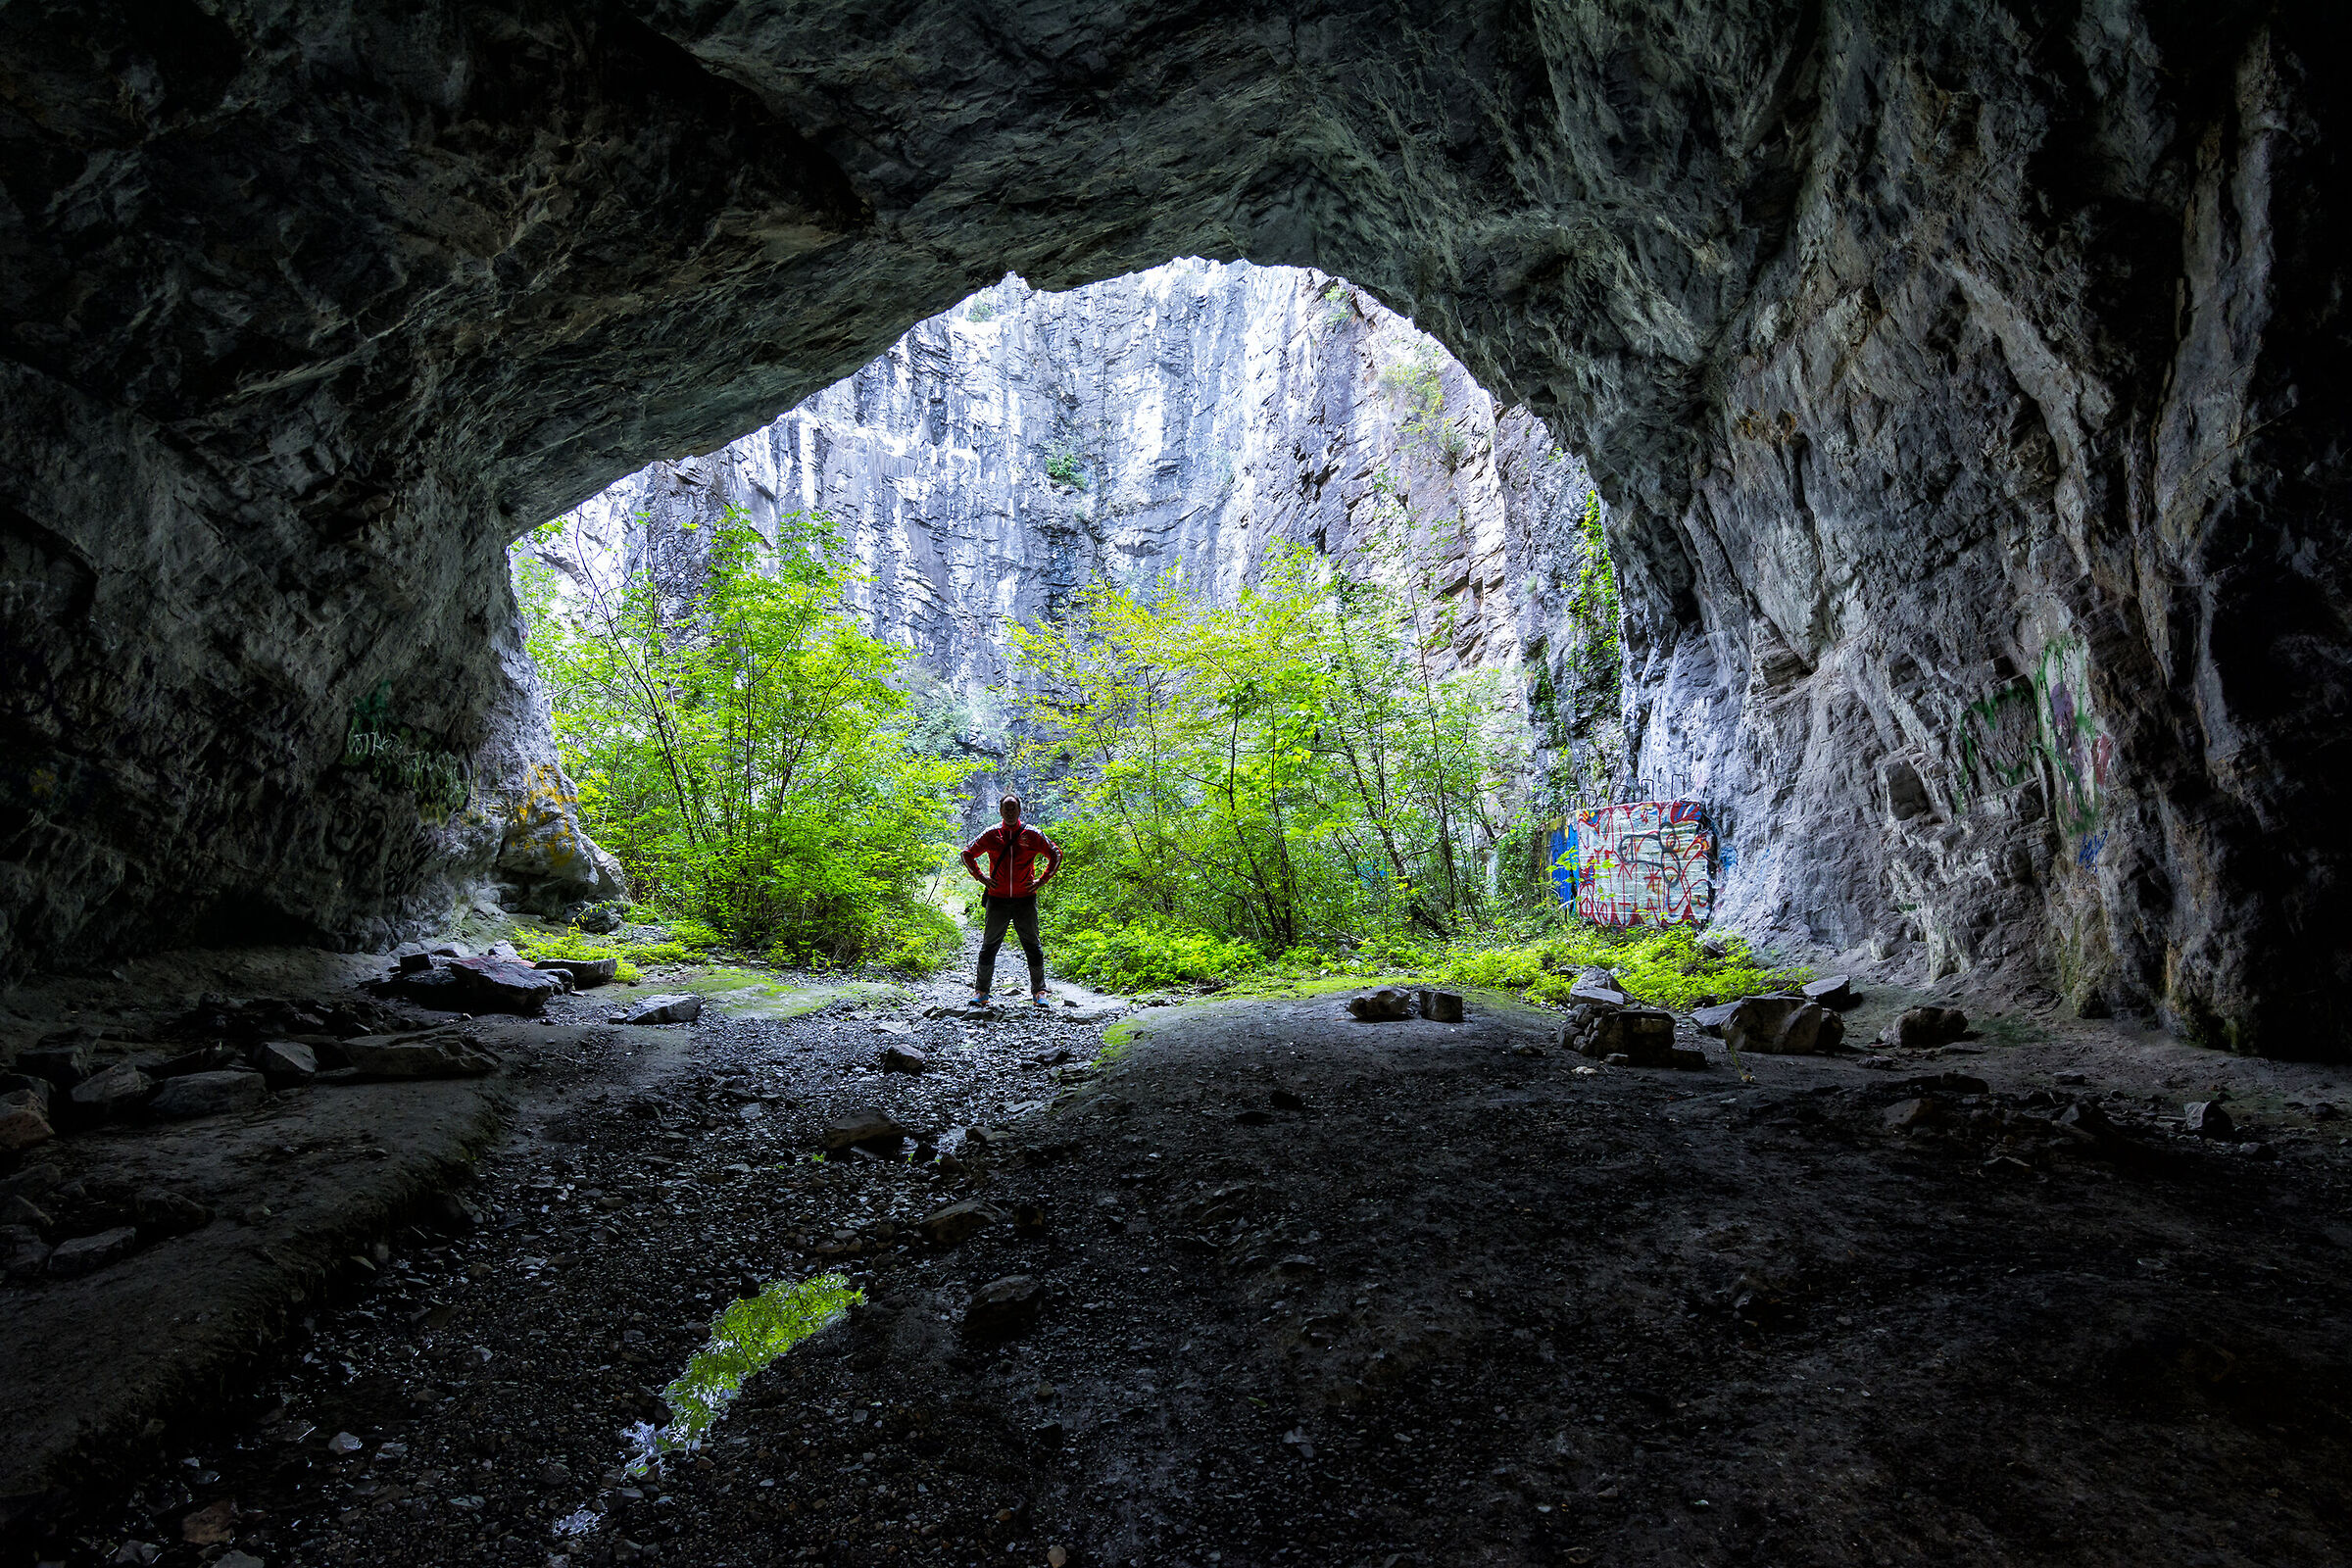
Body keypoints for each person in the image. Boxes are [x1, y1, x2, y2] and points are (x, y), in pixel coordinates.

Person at [960, 794, 1062, 1007]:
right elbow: (967, 853)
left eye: (1013, 808)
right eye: (1006, 808)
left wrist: (1042, 880)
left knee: (1032, 946)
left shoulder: (1032, 834)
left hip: (1025, 899)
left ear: (1019, 810)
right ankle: (981, 992)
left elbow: (1055, 853)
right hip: (997, 899)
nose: (1009, 812)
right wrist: (981, 877)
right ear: (1000, 811)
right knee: (989, 946)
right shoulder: (991, 834)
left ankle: (1039, 992)